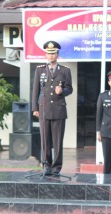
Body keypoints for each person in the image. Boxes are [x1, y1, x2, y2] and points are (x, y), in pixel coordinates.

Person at [31, 41, 73, 175]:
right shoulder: (40, 70)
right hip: (44, 109)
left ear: (57, 54)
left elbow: (70, 88)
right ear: (45, 55)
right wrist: (35, 108)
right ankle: (46, 165)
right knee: (45, 140)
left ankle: (56, 167)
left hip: (59, 110)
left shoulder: (65, 70)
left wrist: (63, 91)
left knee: (58, 140)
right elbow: (35, 90)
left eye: (53, 53)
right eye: (48, 53)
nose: (51, 56)